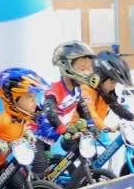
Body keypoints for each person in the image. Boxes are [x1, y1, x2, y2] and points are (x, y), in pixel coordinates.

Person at [31, 41, 100, 178]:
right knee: (40, 171)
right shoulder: (54, 90)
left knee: (87, 149)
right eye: (82, 68)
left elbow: (82, 108)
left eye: (89, 68)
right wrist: (64, 130)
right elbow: (50, 113)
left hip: (50, 139)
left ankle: (76, 182)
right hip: (34, 136)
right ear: (66, 67)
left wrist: (91, 125)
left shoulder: (76, 90)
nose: (88, 72)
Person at [71, 50, 134, 131]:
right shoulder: (85, 89)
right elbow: (91, 114)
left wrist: (133, 117)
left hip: (95, 134)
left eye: (115, 83)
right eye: (112, 82)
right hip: (76, 136)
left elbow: (116, 106)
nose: (113, 87)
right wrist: (106, 128)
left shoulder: (103, 91)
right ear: (100, 77)